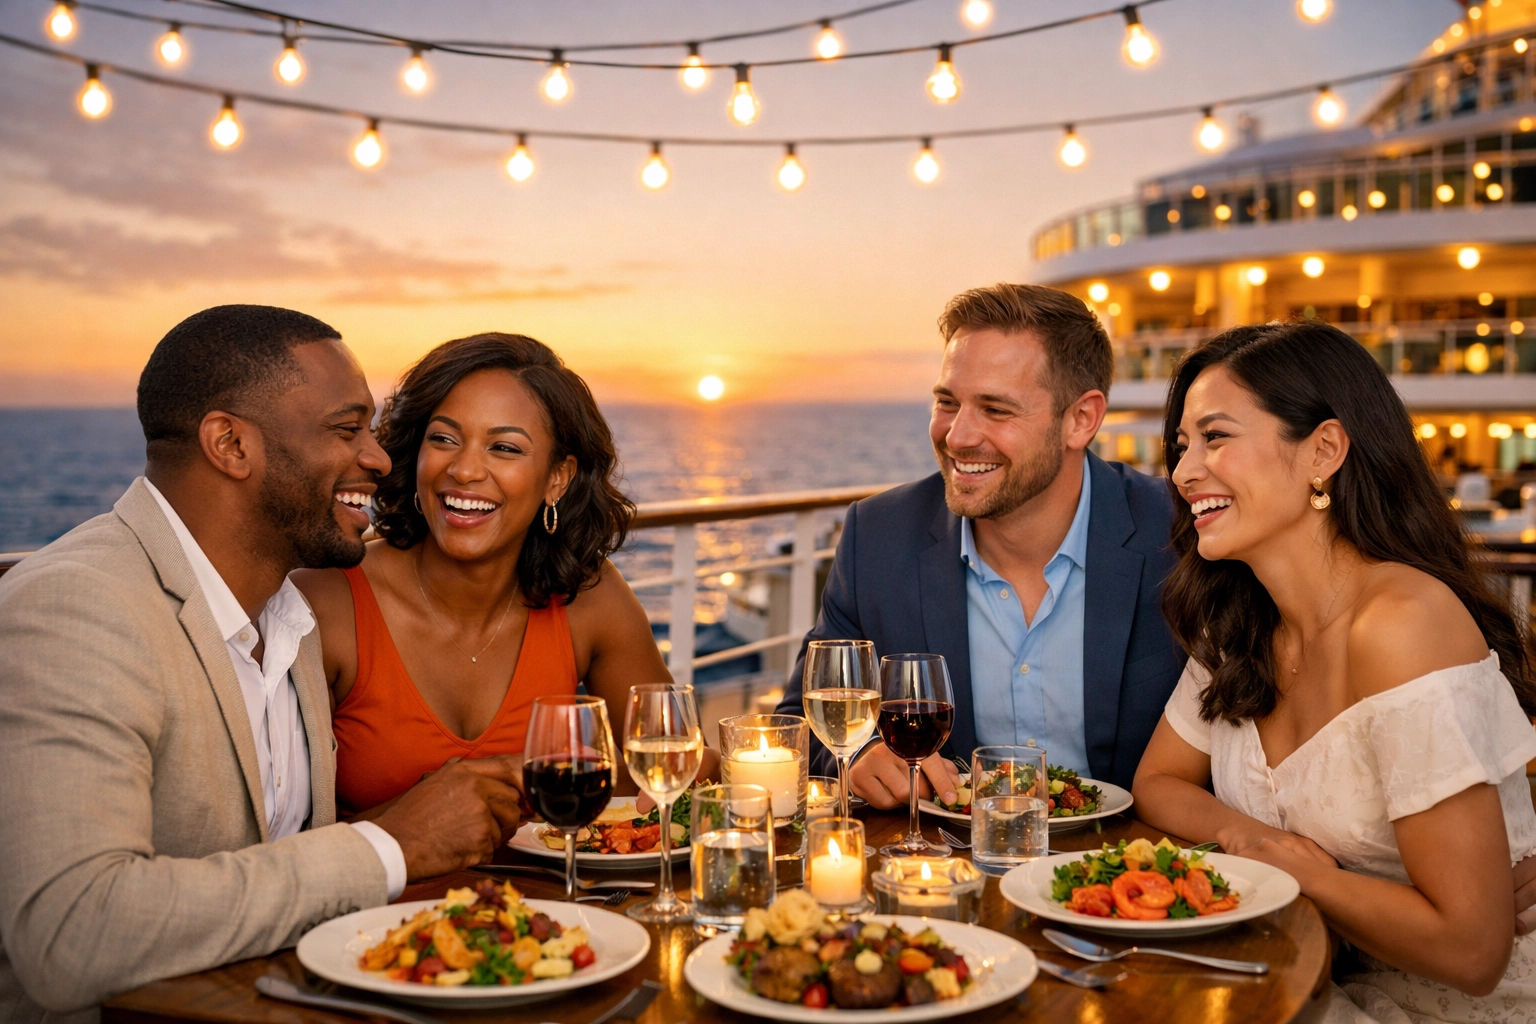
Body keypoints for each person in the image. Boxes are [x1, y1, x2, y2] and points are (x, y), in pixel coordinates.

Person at [0, 307, 527, 1023]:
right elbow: (73, 932)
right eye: (348, 430)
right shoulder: (76, 608)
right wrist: (388, 845)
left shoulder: (288, 612)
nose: (378, 459)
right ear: (230, 445)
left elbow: (281, 869)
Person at [1132, 321, 1536, 1021]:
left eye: (1216, 437)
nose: (1183, 471)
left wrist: (1298, 876)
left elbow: (1473, 954)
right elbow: (1157, 783)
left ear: (1323, 451)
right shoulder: (1239, 619)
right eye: (1181, 446)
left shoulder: (1402, 625)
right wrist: (1250, 839)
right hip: (1300, 969)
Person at [777, 283, 1185, 807]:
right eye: (948, 403)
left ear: (1081, 419)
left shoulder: (1178, 534)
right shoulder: (878, 536)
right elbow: (798, 725)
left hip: (1132, 870)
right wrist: (859, 755)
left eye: (995, 409)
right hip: (952, 870)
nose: (957, 436)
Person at [294, 333, 691, 815]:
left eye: (503, 447)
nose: (463, 470)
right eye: (443, 439)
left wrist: (528, 777)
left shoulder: (591, 596)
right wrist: (422, 818)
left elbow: (683, 766)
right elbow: (279, 843)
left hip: (556, 891)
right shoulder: (326, 601)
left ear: (556, 479)